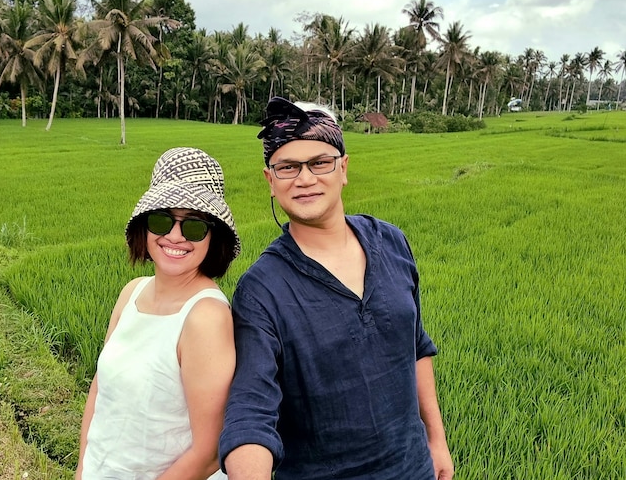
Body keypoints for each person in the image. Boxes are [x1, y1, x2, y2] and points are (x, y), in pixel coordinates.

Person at [218, 97, 454, 479]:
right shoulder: (262, 290)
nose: (305, 179)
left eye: (319, 163)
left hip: (414, 467)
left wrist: (437, 442)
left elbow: (416, 347)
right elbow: (251, 408)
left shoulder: (392, 242)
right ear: (270, 181)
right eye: (288, 167)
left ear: (343, 168)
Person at [76, 147, 241, 480]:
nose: (175, 236)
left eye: (194, 226)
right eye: (162, 219)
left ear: (214, 238)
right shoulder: (131, 293)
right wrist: (82, 468)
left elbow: (207, 454)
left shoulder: (205, 317)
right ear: (144, 226)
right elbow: (100, 389)